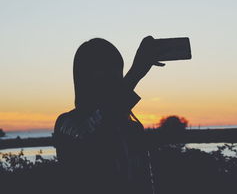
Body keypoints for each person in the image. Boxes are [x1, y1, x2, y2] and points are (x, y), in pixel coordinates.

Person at [54, 36, 164, 194]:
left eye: (117, 69)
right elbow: (95, 128)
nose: (115, 76)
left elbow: (145, 182)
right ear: (85, 75)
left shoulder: (132, 128)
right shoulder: (68, 123)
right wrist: (136, 73)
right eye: (104, 69)